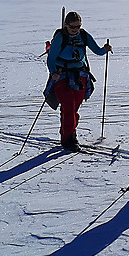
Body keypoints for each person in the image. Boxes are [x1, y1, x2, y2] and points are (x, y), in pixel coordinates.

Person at [46, 11, 113, 151]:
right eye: (72, 27)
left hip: (79, 74)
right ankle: (68, 140)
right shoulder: (60, 37)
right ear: (66, 25)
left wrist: (105, 49)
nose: (75, 30)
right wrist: (53, 73)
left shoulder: (83, 35)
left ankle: (68, 131)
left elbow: (97, 51)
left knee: (74, 107)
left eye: (78, 27)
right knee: (69, 106)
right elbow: (51, 58)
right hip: (62, 75)